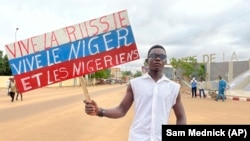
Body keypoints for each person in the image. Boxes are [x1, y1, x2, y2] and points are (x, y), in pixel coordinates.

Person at [83, 45, 186, 141]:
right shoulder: (135, 84)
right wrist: (99, 111)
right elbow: (121, 110)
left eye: (161, 56)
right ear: (147, 60)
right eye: (154, 55)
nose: (158, 58)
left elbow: (181, 116)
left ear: (165, 61)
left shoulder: (174, 88)